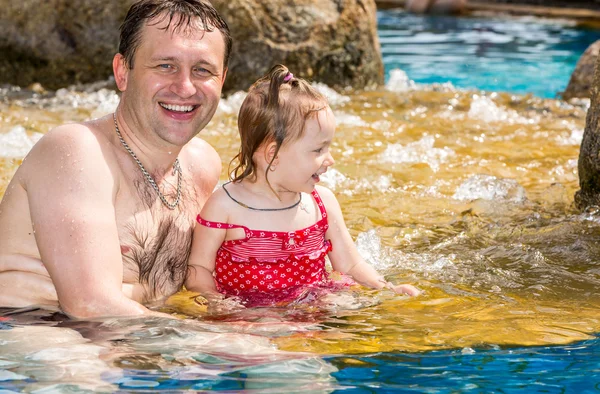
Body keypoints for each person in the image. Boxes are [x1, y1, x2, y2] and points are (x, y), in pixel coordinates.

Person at [0, 0, 231, 318]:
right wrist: (220, 340)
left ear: (222, 80)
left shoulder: (203, 165)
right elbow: (90, 305)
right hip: (30, 329)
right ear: (122, 72)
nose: (185, 86)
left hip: (129, 336)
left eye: (202, 70)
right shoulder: (77, 151)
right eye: (165, 66)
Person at [186, 65, 420, 308]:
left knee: (345, 306)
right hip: (250, 310)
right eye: (319, 150)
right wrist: (217, 302)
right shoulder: (224, 206)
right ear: (273, 155)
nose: (330, 159)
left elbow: (350, 264)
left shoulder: (322, 203)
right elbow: (198, 268)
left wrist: (386, 288)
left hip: (313, 303)